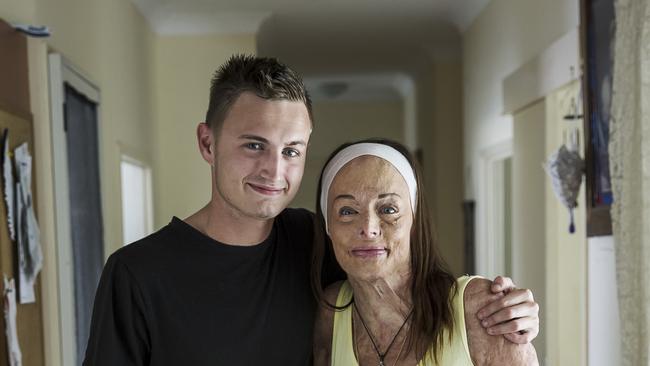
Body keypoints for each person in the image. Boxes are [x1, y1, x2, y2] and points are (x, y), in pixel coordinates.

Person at [83, 55, 539, 366]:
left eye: (292, 150)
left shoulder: (313, 242)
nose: (273, 169)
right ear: (208, 142)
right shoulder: (137, 275)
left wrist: (511, 310)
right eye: (254, 145)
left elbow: (404, 281)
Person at [312, 139, 539, 365]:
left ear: (415, 219)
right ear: (328, 226)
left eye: (388, 209)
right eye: (347, 211)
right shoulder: (331, 312)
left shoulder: (480, 308)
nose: (369, 228)